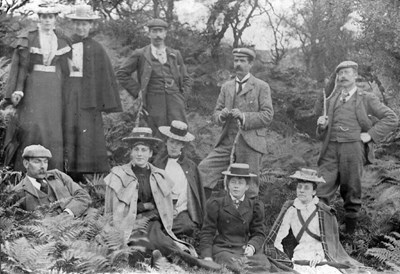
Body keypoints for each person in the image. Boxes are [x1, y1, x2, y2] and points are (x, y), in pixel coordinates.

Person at [104, 127, 220, 271]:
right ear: (131, 152)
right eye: (137, 150)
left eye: (144, 150)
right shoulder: (118, 175)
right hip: (128, 220)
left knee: (159, 238)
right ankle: (176, 260)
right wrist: (143, 208)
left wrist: (155, 210)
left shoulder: (158, 175)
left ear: (150, 153)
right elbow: (110, 209)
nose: (140, 154)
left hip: (151, 219)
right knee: (147, 241)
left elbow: (162, 203)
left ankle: (190, 260)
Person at [316, 61, 398, 234]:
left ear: (355, 76)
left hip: (353, 148)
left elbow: (391, 118)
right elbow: (323, 129)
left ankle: (350, 232)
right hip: (330, 148)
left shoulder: (366, 97)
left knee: (351, 188)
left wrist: (371, 135)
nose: (342, 76)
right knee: (321, 187)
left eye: (346, 72)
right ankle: (319, 229)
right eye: (340, 74)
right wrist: (322, 126)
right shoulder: (332, 98)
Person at [198, 48, 274, 199]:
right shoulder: (227, 86)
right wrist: (221, 115)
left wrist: (244, 116)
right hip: (227, 142)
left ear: (250, 64)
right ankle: (203, 216)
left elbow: (267, 115)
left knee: (249, 185)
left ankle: (246, 220)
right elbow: (216, 113)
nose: (238, 64)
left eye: (242, 61)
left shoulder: (261, 86)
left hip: (250, 144)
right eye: (236, 60)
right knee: (203, 170)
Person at [3, 3, 71, 171]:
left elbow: (67, 70)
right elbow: (20, 67)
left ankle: (54, 172)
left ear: (55, 18)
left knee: (53, 128)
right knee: (33, 126)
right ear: (39, 19)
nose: (47, 20)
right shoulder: (29, 37)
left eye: (50, 17)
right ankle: (25, 172)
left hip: (55, 87)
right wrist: (18, 89)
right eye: (44, 17)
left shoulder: (62, 39)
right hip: (34, 86)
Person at [265, 168, 363, 274]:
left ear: (314, 191)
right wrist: (284, 259)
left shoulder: (323, 212)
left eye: (306, 187)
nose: (301, 190)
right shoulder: (291, 210)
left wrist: (319, 256)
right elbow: (277, 239)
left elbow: (329, 242)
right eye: (299, 187)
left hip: (322, 255)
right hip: (300, 255)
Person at [63, 4, 122, 180]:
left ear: (90, 25)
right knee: (69, 130)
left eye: (84, 24)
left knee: (88, 134)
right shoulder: (65, 44)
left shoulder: (97, 48)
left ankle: (87, 173)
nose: (80, 27)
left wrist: (103, 102)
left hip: (89, 99)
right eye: (77, 23)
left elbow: (105, 76)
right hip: (69, 95)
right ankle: (68, 171)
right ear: (73, 24)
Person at [116, 18, 191, 137]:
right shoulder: (140, 54)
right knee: (158, 134)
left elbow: (186, 78)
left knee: (180, 134)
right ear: (149, 33)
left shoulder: (175, 54)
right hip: (153, 101)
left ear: (165, 33)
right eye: (154, 31)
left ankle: (178, 156)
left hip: (176, 101)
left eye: (160, 31)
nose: (157, 35)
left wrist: (183, 97)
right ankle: (158, 156)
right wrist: (138, 92)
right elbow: (122, 73)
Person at [199, 163, 270, 273]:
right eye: (233, 182)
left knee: (263, 262)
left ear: (246, 187)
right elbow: (207, 232)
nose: (236, 186)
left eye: (240, 183)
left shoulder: (254, 206)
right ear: (228, 185)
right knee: (230, 262)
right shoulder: (216, 204)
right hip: (224, 249)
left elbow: (259, 234)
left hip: (244, 250)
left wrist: (252, 247)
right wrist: (207, 256)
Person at [153, 120, 206, 239]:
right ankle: (163, 236)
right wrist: (166, 209)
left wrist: (177, 210)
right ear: (166, 141)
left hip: (181, 208)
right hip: (161, 207)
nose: (174, 146)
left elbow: (189, 195)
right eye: (171, 142)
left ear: (183, 145)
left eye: (178, 143)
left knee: (187, 226)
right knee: (153, 224)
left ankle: (164, 237)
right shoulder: (158, 163)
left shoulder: (190, 167)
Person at [13, 145, 91, 217]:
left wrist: (68, 213)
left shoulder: (58, 175)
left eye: (45, 162)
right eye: (37, 162)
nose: (43, 166)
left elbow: (83, 196)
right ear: (26, 164)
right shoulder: (18, 191)